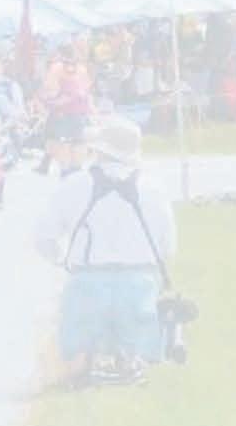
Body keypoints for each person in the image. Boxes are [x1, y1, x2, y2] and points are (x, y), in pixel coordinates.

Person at [34, 117, 176, 386]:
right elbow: (167, 246)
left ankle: (84, 365)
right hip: (139, 283)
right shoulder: (153, 188)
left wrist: (61, 261)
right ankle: (130, 362)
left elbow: (43, 237)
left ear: (99, 151)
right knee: (137, 337)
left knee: (76, 348)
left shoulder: (74, 184)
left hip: (87, 282)